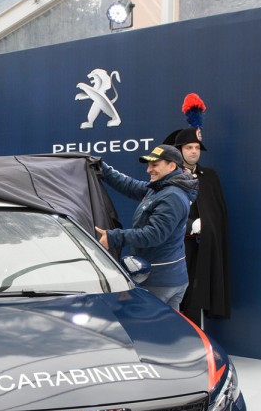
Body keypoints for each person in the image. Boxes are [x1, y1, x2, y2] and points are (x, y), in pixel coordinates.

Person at [94, 144, 197, 309]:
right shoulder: (161, 188)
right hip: (165, 279)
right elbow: (129, 185)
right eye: (149, 164)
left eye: (155, 165)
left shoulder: (172, 195)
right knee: (166, 331)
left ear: (172, 166)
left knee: (147, 330)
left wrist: (114, 237)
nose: (149, 170)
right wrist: (102, 168)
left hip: (159, 282)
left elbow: (154, 235)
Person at [163, 93, 232, 326]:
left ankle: (197, 343)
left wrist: (208, 225)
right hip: (178, 249)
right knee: (176, 297)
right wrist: (190, 224)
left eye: (197, 147)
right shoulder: (169, 177)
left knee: (198, 297)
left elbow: (216, 213)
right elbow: (163, 214)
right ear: (179, 150)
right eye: (189, 147)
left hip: (204, 250)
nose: (194, 151)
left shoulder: (209, 177)